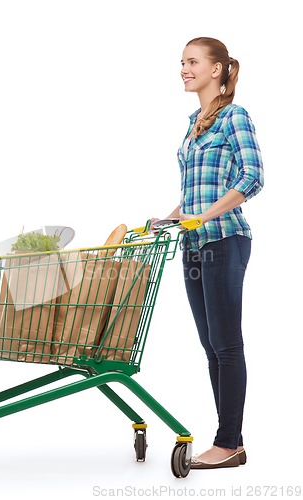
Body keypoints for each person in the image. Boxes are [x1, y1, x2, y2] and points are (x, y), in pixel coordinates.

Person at [152, 37, 264, 469]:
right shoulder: (194, 122)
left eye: (192, 61)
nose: (184, 68)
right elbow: (194, 194)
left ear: (216, 69)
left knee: (227, 344)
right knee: (211, 348)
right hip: (194, 244)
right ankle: (227, 439)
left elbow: (252, 177)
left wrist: (206, 217)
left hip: (225, 240)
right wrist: (170, 218)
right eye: (182, 62)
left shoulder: (235, 117)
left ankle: (229, 442)